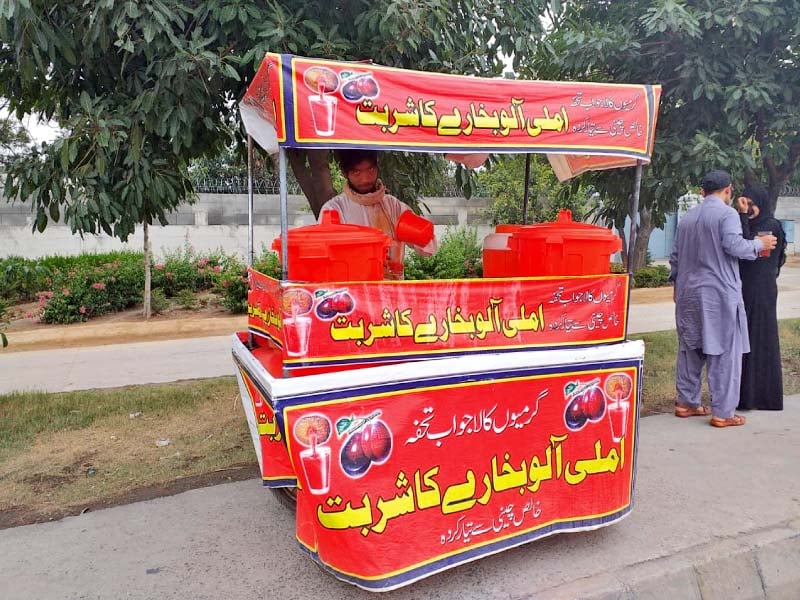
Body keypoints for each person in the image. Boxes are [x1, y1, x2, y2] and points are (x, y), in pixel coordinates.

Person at [669, 169, 777, 428]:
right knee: (724, 351)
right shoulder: (726, 214)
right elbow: (734, 245)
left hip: (687, 293)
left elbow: (675, 257)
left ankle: (687, 403)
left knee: (690, 349)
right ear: (727, 190)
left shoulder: (688, 218)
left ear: (702, 192)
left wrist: (677, 285)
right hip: (717, 293)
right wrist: (759, 244)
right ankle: (724, 412)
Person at [318, 149, 437, 279]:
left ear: (377, 167)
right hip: (353, 294)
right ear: (344, 173)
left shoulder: (394, 206)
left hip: (391, 293)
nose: (365, 179)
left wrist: (422, 235)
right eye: (357, 172)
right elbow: (324, 259)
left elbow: (429, 249)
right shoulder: (333, 209)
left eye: (370, 170)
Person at [737, 183, 787, 410]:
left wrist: (743, 218)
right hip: (744, 290)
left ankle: (762, 396)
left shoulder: (769, 226)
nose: (749, 208)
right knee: (744, 343)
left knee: (760, 340)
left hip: (761, 291)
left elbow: (752, 252)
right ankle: (743, 395)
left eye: (752, 204)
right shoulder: (747, 224)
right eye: (746, 204)